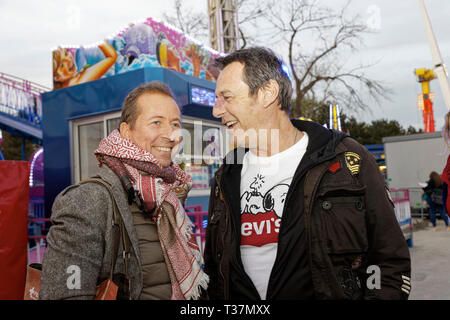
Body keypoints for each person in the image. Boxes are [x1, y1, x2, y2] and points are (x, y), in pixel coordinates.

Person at [204, 47, 411, 300]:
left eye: (227, 97)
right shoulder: (226, 175)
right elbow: (215, 274)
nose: (216, 110)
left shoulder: (346, 160)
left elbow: (388, 261)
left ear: (268, 93)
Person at [40, 81, 208, 299]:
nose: (171, 134)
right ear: (127, 132)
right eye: (156, 122)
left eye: (175, 124)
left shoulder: (169, 195)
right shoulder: (88, 199)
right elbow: (63, 294)